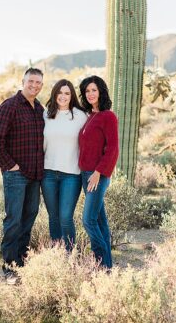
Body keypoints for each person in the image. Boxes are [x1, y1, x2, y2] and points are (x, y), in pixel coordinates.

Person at [0, 67, 45, 284]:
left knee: (28, 219)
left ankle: (22, 262)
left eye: (38, 82)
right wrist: (9, 165)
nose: (34, 85)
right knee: (13, 220)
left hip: (35, 175)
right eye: (31, 81)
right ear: (23, 81)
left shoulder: (39, 109)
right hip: (16, 175)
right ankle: (9, 266)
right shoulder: (9, 106)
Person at [78, 75, 119, 269]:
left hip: (97, 176)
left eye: (94, 90)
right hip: (85, 174)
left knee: (88, 220)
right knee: (101, 223)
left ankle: (101, 264)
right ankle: (107, 268)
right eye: (87, 91)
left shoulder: (108, 116)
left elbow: (113, 148)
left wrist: (98, 172)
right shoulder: (90, 116)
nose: (90, 94)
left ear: (101, 91)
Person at [41, 79, 87, 251]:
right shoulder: (46, 114)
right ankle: (57, 253)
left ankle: (71, 255)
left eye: (67, 93)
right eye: (60, 92)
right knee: (53, 217)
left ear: (72, 95)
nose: (63, 96)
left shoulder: (80, 115)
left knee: (65, 217)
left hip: (72, 174)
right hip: (48, 173)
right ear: (54, 94)